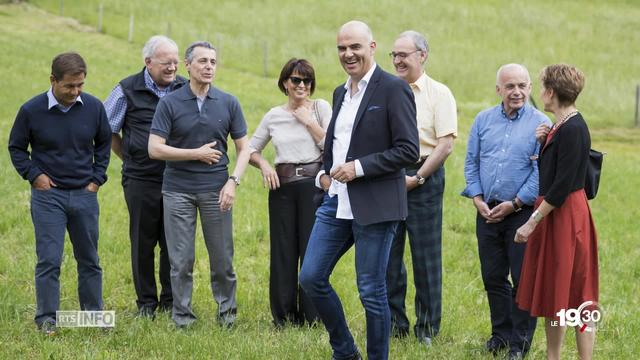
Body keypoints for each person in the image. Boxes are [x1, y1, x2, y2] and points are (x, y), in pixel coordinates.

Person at [298, 21, 419, 360]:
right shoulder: (340, 92)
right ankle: (346, 351)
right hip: (335, 202)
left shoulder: (393, 89)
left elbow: (408, 150)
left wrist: (359, 168)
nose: (348, 54)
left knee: (370, 291)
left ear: (372, 47)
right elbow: (336, 142)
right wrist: (324, 173)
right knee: (310, 277)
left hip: (376, 204)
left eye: (355, 47)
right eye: (342, 48)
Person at [148, 41, 250, 329]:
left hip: (217, 191)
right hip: (177, 190)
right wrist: (195, 154)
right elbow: (154, 149)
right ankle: (182, 319)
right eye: (203, 61)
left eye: (213, 62)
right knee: (181, 260)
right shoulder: (169, 103)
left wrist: (233, 182)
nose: (209, 67)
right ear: (187, 65)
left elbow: (244, 149)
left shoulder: (229, 102)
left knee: (222, 261)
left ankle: (227, 317)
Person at [8, 52, 111, 335]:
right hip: (48, 197)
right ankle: (47, 321)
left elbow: (103, 144)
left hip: (84, 195)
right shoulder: (31, 110)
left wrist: (96, 179)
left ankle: (93, 317)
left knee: (89, 259)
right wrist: (33, 175)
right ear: (53, 80)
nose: (76, 91)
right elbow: (16, 147)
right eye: (70, 86)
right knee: (49, 260)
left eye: (80, 85)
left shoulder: (94, 108)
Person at [462, 64, 550, 359]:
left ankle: (519, 343)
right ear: (498, 89)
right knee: (493, 277)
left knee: (522, 280)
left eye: (522, 86)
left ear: (529, 88)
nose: (517, 92)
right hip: (486, 211)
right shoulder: (483, 120)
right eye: (510, 86)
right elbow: (471, 162)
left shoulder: (541, 124)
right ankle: (500, 334)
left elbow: (541, 173)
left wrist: (514, 203)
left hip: (521, 214)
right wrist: (476, 197)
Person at [515, 64, 598, 360]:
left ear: (551, 92)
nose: (540, 94)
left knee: (576, 292)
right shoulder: (561, 127)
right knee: (556, 290)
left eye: (542, 88)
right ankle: (554, 356)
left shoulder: (573, 129)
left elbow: (560, 188)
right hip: (557, 214)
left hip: (564, 217)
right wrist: (545, 142)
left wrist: (530, 223)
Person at [104, 35, 187, 319]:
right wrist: (129, 156)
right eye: (166, 62)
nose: (173, 67)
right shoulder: (127, 89)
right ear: (148, 62)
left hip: (177, 178)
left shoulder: (184, 88)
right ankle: (146, 304)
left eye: (176, 62)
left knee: (173, 242)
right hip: (140, 179)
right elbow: (107, 131)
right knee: (143, 240)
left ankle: (170, 300)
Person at [385, 30, 457, 345]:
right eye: (395, 55)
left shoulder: (439, 93)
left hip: (425, 175)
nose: (398, 60)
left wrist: (417, 179)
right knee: (388, 255)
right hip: (388, 176)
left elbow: (445, 145)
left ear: (422, 55)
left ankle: (427, 329)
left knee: (426, 258)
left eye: (404, 54)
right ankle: (394, 323)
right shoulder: (384, 91)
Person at [248, 58, 330, 327]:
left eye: (307, 81)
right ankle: (283, 316)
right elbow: (250, 149)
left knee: (311, 249)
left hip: (313, 186)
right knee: (283, 250)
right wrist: (263, 165)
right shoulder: (274, 115)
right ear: (285, 83)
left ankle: (312, 315)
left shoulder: (320, 108)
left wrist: (308, 122)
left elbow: (333, 146)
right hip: (281, 188)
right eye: (296, 80)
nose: (302, 85)